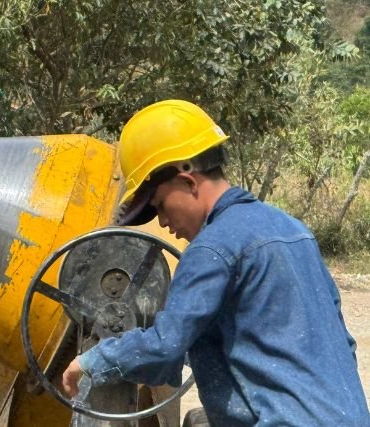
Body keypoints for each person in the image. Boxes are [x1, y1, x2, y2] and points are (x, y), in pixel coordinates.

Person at [61, 100, 370, 425]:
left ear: (188, 181)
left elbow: (165, 349)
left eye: (161, 205)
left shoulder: (212, 249)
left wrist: (95, 360)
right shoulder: (294, 230)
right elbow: (341, 342)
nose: (164, 222)